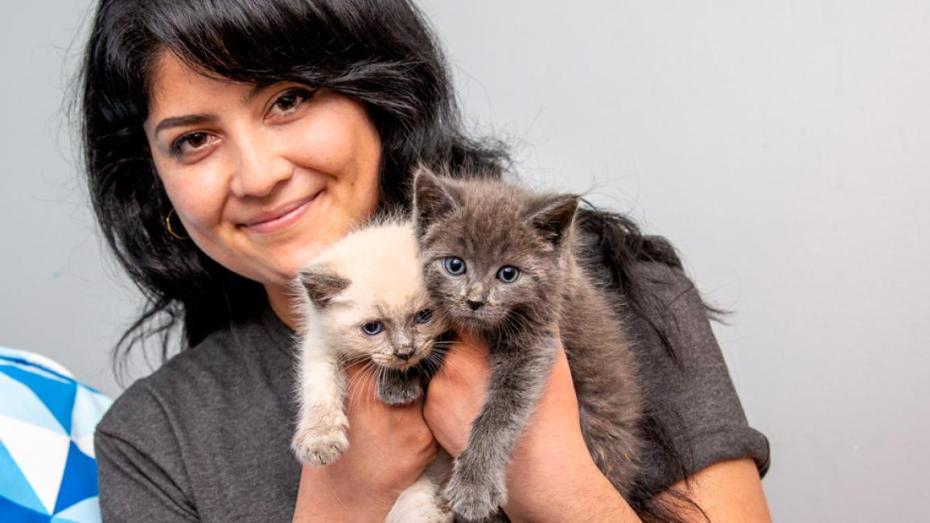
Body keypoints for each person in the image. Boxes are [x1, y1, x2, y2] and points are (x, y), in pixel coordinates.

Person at [80, 0, 771, 521]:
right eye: (194, 139)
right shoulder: (154, 441)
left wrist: (552, 473)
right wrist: (341, 501)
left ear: (377, 98)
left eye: (288, 100)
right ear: (155, 183)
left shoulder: (625, 291)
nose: (258, 174)